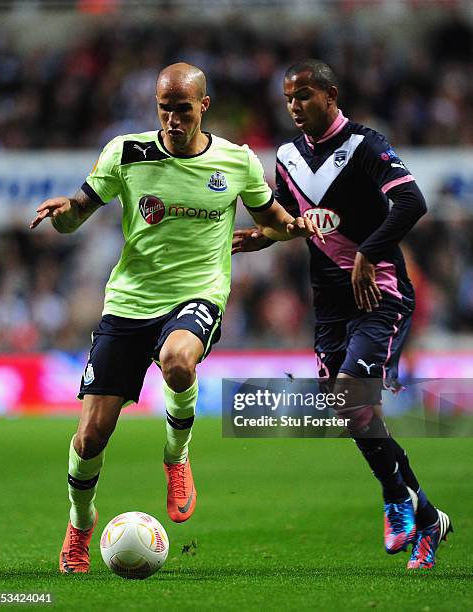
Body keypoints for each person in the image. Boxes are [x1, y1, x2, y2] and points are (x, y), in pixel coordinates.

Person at [30, 62, 320, 574]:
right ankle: (79, 525)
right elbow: (79, 212)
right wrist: (64, 216)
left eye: (182, 109)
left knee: (178, 361)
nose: (172, 119)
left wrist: (299, 226)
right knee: (89, 438)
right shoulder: (126, 152)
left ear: (203, 106)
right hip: (128, 302)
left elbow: (274, 223)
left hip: (198, 294)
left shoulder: (236, 162)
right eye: (164, 109)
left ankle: (176, 455)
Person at [232, 59, 452, 570]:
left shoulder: (367, 146)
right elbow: (294, 224)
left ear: (330, 95)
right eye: (288, 99)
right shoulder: (287, 157)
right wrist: (263, 237)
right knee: (350, 411)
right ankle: (427, 516)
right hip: (330, 305)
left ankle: (397, 499)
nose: (294, 106)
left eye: (304, 96)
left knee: (353, 397)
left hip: (380, 294)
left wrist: (369, 252)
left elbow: (412, 203)